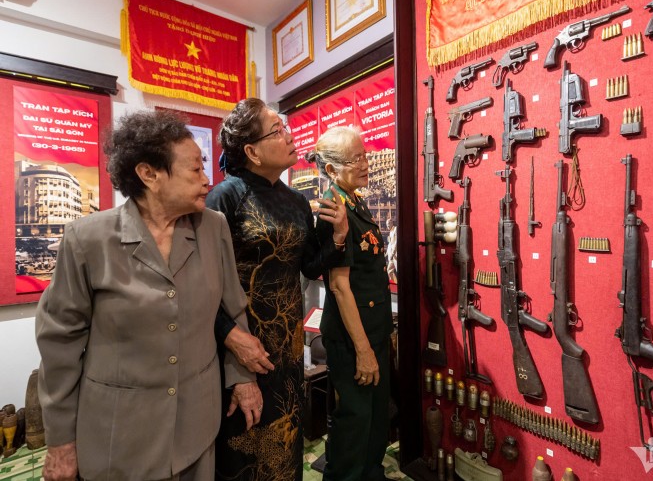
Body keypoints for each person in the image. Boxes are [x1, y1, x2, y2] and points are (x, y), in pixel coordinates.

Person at [35, 109, 272, 481]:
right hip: (120, 436)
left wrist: (242, 377)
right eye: (195, 169)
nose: (207, 179)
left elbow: (233, 307)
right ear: (149, 174)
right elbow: (59, 344)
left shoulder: (213, 227)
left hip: (196, 428)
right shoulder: (87, 239)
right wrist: (61, 441)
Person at [207, 98, 348, 481]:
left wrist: (337, 237)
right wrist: (231, 339)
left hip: (286, 346)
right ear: (252, 151)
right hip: (241, 348)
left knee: (286, 446)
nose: (289, 136)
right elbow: (203, 284)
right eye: (277, 130)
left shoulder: (296, 201)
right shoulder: (226, 198)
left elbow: (309, 268)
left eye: (284, 127)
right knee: (244, 449)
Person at [307, 126, 394, 481]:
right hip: (351, 337)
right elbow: (340, 287)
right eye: (355, 159)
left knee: (375, 419)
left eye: (364, 156)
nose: (365, 164)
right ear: (331, 169)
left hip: (372, 329)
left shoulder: (354, 201)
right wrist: (363, 349)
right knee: (355, 423)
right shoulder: (333, 210)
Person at [385, 217, 398, 283]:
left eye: (388, 225)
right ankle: (396, 283)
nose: (387, 226)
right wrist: (387, 254)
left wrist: (393, 253)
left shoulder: (395, 229)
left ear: (392, 223)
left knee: (398, 270)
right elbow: (390, 244)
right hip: (391, 256)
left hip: (395, 255)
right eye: (387, 225)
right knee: (389, 271)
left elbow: (396, 243)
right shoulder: (390, 232)